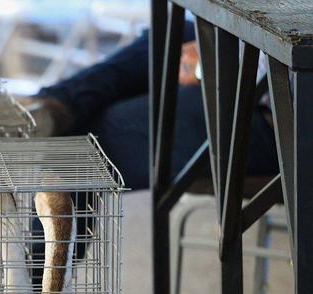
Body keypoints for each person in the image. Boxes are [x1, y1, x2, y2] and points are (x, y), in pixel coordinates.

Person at [23, 21, 278, 189]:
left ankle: (25, 269)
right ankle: (54, 107)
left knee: (82, 146)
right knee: (168, 33)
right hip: (255, 53)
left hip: (282, 117)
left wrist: (215, 63)